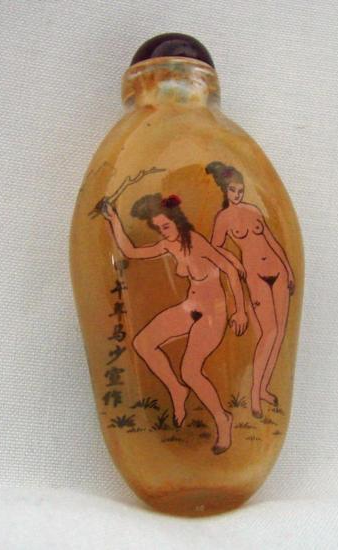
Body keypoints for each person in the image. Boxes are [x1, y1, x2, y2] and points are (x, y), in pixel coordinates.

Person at [101, 193, 247, 454]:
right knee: (143, 343)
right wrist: (114, 220)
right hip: (191, 306)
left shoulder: (196, 241)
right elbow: (131, 251)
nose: (163, 232)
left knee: (190, 371)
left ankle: (223, 420)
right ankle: (176, 390)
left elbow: (230, 270)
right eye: (159, 228)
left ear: (177, 221)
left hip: (213, 313)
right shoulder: (169, 245)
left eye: (166, 226)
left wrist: (241, 311)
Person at [207, 162, 295, 419]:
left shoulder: (255, 210)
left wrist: (289, 269)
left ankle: (265, 387)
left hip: (277, 271)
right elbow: (215, 248)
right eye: (232, 190)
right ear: (225, 191)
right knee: (268, 332)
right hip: (255, 275)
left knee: (280, 332)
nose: (237, 194)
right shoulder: (223, 218)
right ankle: (254, 392)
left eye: (240, 190)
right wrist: (235, 261)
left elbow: (272, 240)